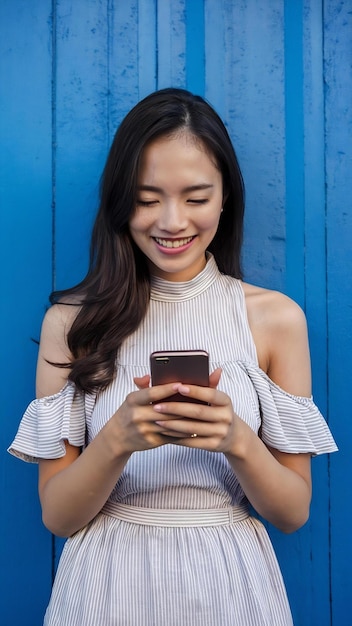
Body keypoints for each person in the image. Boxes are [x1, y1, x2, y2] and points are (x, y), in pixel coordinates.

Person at [9, 88, 337, 625]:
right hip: (105, 589)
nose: (171, 220)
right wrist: (118, 438)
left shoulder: (276, 319)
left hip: (230, 587)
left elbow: (292, 512)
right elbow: (59, 516)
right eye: (145, 198)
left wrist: (235, 438)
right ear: (120, 201)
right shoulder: (71, 325)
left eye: (196, 197)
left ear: (226, 196)